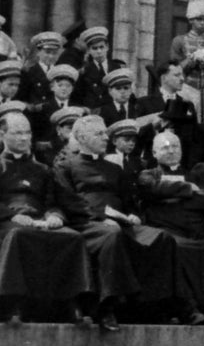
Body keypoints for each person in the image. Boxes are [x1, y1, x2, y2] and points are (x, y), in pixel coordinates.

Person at [56, 114, 177, 329]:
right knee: (111, 235)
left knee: (161, 237)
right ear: (82, 138)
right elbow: (69, 201)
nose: (106, 138)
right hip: (85, 223)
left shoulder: (114, 169)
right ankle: (105, 307)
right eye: (100, 134)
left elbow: (127, 200)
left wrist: (131, 214)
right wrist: (101, 218)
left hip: (119, 222)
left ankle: (151, 306)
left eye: (105, 133)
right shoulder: (66, 166)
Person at [0, 108, 93, 326]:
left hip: (38, 220)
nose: (24, 138)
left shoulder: (42, 169)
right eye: (17, 133)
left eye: (27, 133)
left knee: (72, 237)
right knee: (19, 235)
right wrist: (14, 216)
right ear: (2, 135)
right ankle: (12, 305)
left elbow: (51, 202)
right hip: (6, 223)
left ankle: (72, 304)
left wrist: (54, 216)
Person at [138, 130, 204, 324]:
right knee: (178, 248)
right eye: (165, 147)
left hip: (199, 230)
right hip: (168, 229)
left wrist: (172, 195)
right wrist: (188, 190)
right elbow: (153, 189)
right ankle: (187, 310)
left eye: (175, 146)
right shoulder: (148, 174)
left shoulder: (195, 173)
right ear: (154, 152)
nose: (170, 151)